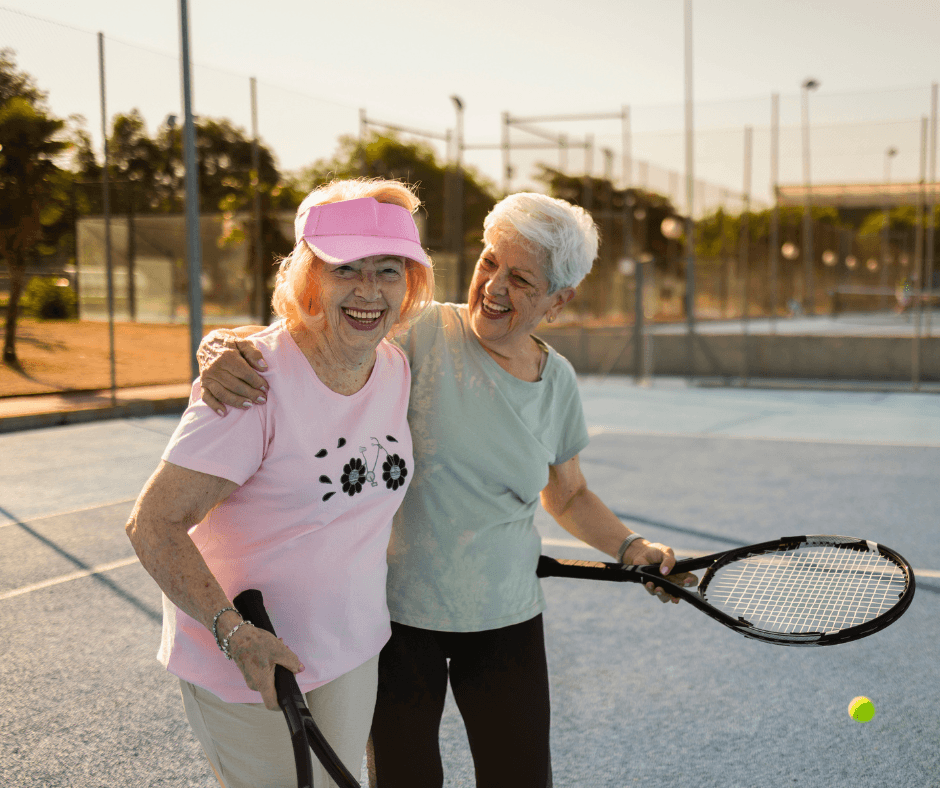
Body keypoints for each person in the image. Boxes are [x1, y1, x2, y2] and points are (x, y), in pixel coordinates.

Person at [198, 192, 696, 788]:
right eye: (490, 263)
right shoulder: (419, 332)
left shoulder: (556, 381)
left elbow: (567, 495)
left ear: (558, 301)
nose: (495, 286)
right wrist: (223, 343)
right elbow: (309, 338)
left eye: (521, 279)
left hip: (507, 618)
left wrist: (630, 546)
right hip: (396, 619)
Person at [125, 178, 434, 788]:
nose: (369, 290)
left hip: (351, 648)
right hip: (246, 660)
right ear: (309, 276)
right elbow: (152, 524)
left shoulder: (393, 367)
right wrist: (236, 636)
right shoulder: (251, 381)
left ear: (411, 283)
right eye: (346, 268)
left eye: (389, 269)